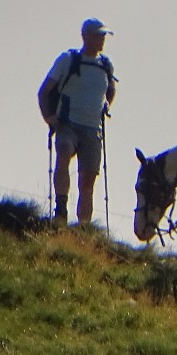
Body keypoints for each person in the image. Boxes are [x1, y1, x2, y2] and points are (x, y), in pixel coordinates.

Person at [37, 18, 117, 225]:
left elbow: (111, 89)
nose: (101, 40)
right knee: (63, 152)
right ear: (85, 36)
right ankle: (61, 209)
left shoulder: (105, 65)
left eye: (103, 36)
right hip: (68, 123)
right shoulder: (68, 60)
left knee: (88, 178)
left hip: (92, 128)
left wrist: (106, 105)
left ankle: (84, 226)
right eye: (98, 35)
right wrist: (49, 118)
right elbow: (45, 91)